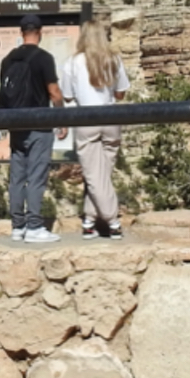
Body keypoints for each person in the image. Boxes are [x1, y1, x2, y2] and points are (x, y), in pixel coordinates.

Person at [0, 14, 67, 243]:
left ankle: (17, 226)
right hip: (39, 124)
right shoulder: (44, 58)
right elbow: (54, 93)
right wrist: (62, 117)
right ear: (40, 31)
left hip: (16, 124)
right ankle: (35, 226)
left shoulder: (8, 59)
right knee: (36, 176)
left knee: (17, 177)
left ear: (21, 32)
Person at [60, 20, 131, 239]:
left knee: (93, 174)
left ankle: (112, 221)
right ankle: (89, 220)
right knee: (101, 174)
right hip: (111, 118)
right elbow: (121, 93)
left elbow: (68, 96)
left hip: (86, 119)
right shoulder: (113, 59)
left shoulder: (73, 62)